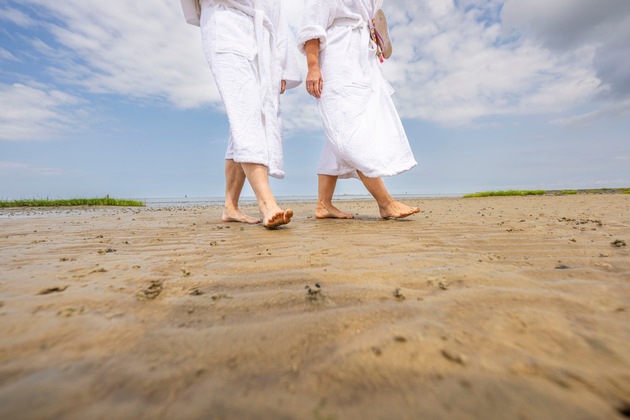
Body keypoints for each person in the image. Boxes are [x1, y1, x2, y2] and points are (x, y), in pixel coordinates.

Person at [297, 0, 420, 220]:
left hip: (362, 58)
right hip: (338, 56)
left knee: (338, 135)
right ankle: (386, 202)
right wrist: (313, 66)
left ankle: (323, 204)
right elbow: (312, 24)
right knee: (351, 131)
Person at [198, 0, 301, 227]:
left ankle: (230, 207)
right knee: (245, 112)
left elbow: (277, 13)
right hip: (225, 22)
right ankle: (266, 202)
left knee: (247, 121)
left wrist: (281, 66)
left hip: (261, 37)